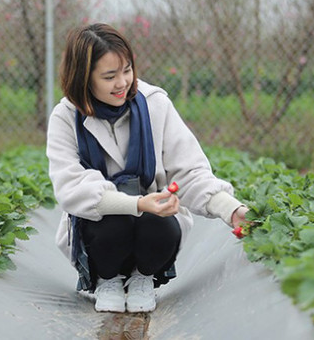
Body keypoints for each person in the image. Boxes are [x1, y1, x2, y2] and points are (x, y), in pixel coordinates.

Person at [47, 23, 248, 313]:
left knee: (161, 222)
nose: (122, 83)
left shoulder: (154, 104)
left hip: (150, 234)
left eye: (127, 70)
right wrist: (137, 203)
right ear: (83, 78)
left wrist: (231, 209)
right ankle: (108, 279)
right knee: (110, 217)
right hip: (101, 237)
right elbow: (72, 188)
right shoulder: (66, 117)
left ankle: (144, 277)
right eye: (109, 76)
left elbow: (189, 171)